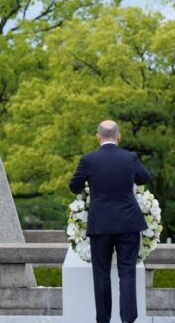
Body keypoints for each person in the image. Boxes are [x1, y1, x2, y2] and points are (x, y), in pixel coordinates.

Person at [69, 120, 151, 323]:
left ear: (98, 137)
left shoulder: (89, 160)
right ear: (118, 137)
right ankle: (128, 320)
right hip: (128, 223)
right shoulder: (130, 158)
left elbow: (74, 185)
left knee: (101, 274)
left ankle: (104, 320)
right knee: (127, 273)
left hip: (101, 225)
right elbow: (145, 178)